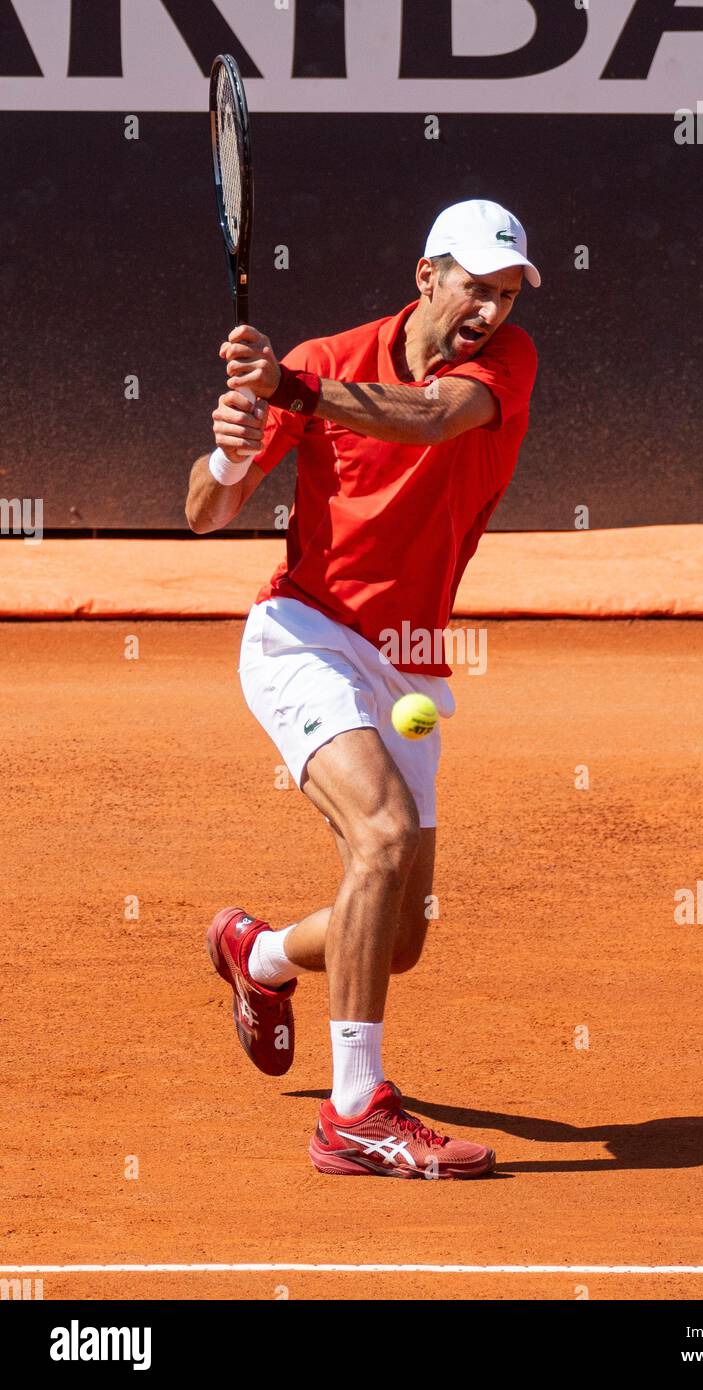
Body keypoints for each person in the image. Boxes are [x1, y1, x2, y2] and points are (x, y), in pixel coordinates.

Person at [185, 199, 540, 1178]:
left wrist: (295, 390)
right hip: (303, 634)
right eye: (474, 285)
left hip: (410, 658)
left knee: (395, 939)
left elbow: (427, 420)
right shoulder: (328, 356)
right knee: (379, 835)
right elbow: (206, 512)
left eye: (506, 292)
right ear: (425, 275)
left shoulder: (503, 365)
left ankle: (257, 956)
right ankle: (354, 1112)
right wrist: (228, 447)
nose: (490, 309)